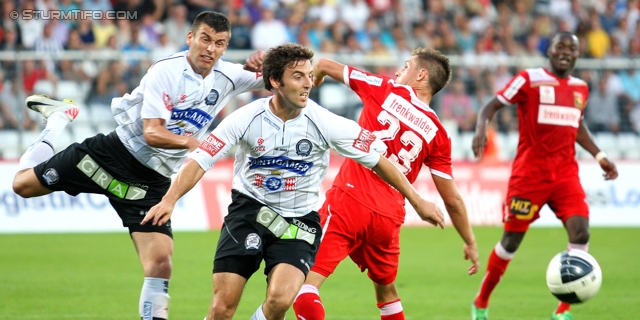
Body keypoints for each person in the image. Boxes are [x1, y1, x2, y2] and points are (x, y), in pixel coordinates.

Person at [140, 43, 446, 320]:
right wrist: (169, 199)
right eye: (298, 76)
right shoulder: (245, 118)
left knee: (280, 301)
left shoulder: (326, 122)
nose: (308, 84)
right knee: (222, 308)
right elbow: (201, 160)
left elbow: (381, 161)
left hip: (298, 221)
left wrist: (418, 201)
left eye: (310, 76)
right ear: (275, 81)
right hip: (248, 213)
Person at [12, 11, 266, 320]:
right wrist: (190, 143)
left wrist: (266, 60)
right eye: (205, 39)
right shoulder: (166, 71)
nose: (211, 49)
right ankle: (58, 120)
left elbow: (282, 75)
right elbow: (152, 132)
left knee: (160, 263)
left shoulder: (228, 76)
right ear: (190, 38)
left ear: (226, 47)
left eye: (220, 43)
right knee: (21, 185)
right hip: (112, 154)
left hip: (153, 181)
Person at [292, 49, 480, 320]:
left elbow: (322, 64)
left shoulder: (385, 88)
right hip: (388, 216)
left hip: (351, 198)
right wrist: (470, 241)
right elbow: (452, 199)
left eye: (405, 67)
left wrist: (317, 78)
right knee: (387, 293)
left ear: (421, 75)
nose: (397, 73)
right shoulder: (439, 133)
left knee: (304, 283)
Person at [470, 32, 619, 320]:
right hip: (529, 176)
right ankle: (482, 301)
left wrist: (600, 156)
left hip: (565, 175)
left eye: (571, 48)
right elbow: (492, 106)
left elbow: (576, 125)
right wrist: (480, 128)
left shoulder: (580, 88)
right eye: (560, 46)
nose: (565, 51)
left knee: (581, 232)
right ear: (548, 51)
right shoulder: (529, 79)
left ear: (577, 54)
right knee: (510, 243)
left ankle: (563, 310)